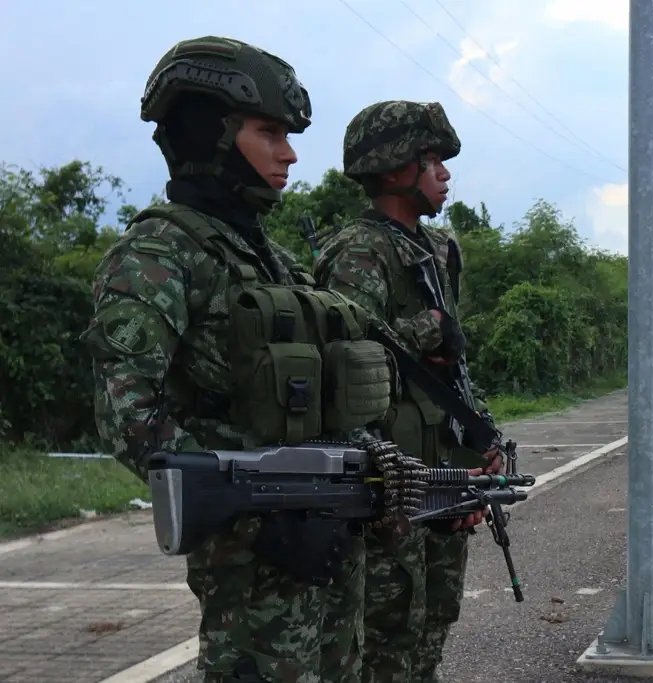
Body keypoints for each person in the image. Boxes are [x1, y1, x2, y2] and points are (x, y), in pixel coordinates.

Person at [80, 36, 388, 683]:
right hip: (254, 565)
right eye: (269, 132)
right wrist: (258, 513)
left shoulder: (270, 259)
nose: (290, 153)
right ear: (212, 134)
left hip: (325, 544)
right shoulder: (161, 252)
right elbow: (126, 412)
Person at [313, 100, 502, 683]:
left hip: (441, 467)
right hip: (392, 478)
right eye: (432, 160)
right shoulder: (359, 253)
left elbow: (449, 369)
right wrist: (422, 332)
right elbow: (343, 365)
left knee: (435, 620)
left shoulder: (438, 250)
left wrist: (479, 435)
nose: (444, 173)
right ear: (395, 169)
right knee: (388, 631)